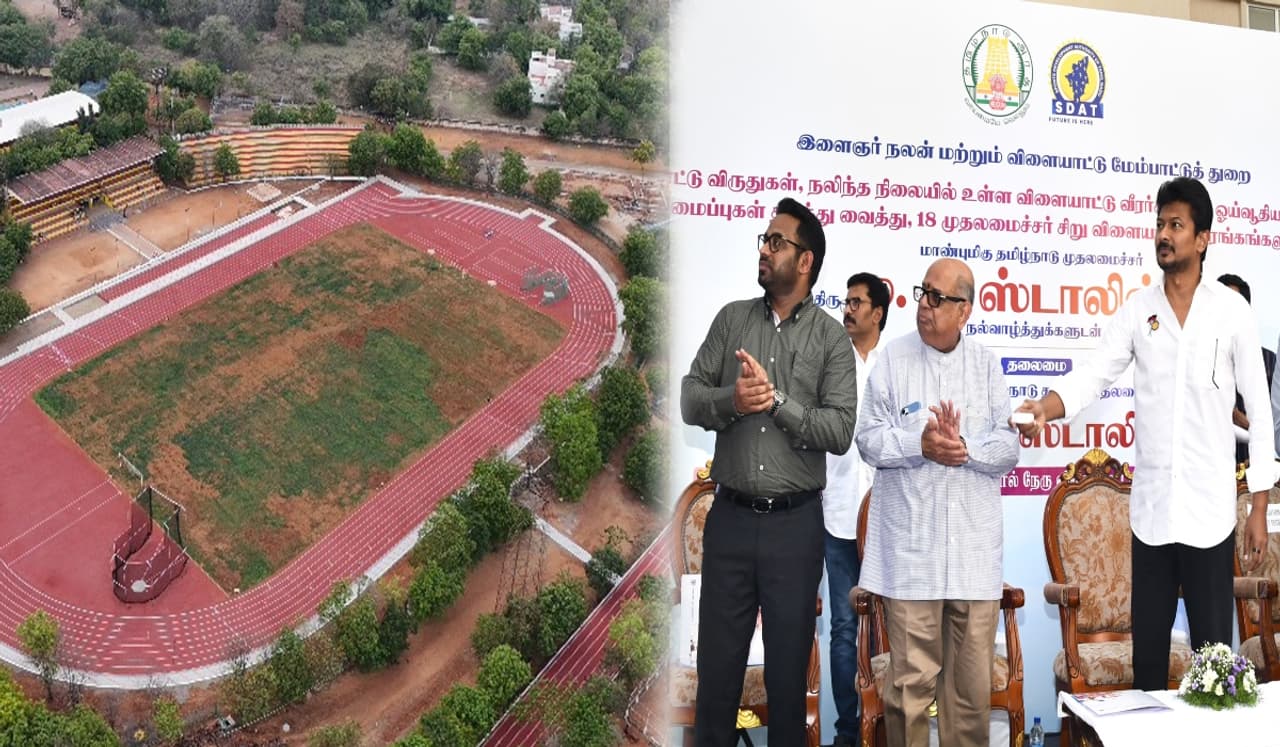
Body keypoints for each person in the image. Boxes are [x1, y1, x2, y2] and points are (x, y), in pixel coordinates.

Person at [1015, 177, 1276, 691]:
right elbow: (1093, 375)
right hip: (1152, 515)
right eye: (1159, 224)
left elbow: (1261, 413)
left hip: (1209, 513)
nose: (1163, 234)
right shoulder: (1139, 310)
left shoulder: (1232, 312)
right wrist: (1047, 405)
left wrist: (1261, 506)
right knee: (1150, 664)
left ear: (1202, 238)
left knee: (1215, 665)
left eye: (1175, 225)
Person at [681, 197, 858, 746]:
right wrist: (734, 400)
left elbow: (839, 430)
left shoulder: (831, 339)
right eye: (764, 239)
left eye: (776, 242)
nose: (764, 248)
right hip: (730, 523)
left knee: (786, 688)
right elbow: (690, 399)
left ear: (804, 262)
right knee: (717, 686)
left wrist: (776, 401)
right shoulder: (732, 319)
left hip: (794, 529)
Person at [856, 258, 1019, 747]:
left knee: (969, 698)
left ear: (965, 310)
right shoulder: (893, 360)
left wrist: (964, 450)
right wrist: (918, 446)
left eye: (937, 298)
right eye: (923, 292)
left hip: (972, 558)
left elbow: (1009, 447)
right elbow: (867, 438)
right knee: (908, 696)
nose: (923, 306)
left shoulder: (987, 366)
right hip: (912, 559)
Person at [823, 271, 889, 747]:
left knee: (894, 628)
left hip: (891, 522)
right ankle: (850, 733)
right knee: (846, 628)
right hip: (839, 516)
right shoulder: (828, 361)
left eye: (857, 302)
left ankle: (886, 726)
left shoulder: (898, 366)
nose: (847, 309)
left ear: (877, 313)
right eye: (845, 301)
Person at [1216, 273, 1277, 464]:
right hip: (1207, 469)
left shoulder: (1268, 360)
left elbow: (1272, 425)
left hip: (1252, 465)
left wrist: (1238, 418)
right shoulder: (1195, 359)